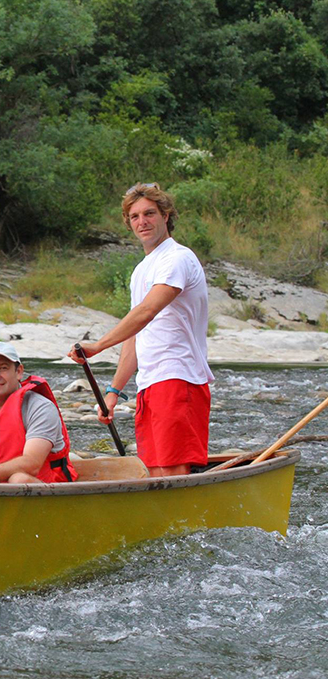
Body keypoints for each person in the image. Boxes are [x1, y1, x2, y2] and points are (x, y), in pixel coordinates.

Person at [67, 183, 213, 477]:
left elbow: (147, 312)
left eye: (149, 213)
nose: (142, 222)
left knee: (172, 472)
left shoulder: (177, 258)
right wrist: (113, 392)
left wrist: (98, 345)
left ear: (166, 215)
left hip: (178, 377)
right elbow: (137, 333)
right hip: (150, 383)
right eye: (134, 216)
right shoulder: (142, 270)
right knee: (155, 472)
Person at [0, 342, 76, 484]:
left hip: (45, 486)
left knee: (18, 479)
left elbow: (32, 464)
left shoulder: (41, 407)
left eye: (3, 368)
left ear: (19, 372)